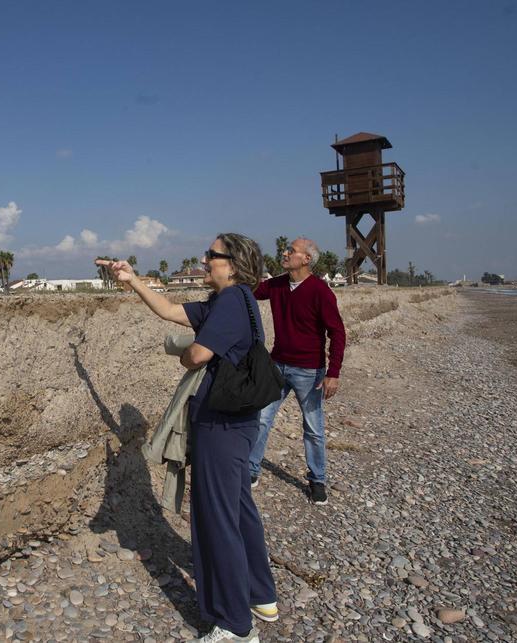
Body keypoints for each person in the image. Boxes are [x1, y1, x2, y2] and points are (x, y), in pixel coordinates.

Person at [97, 232, 277, 643]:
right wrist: (133, 280)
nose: (204, 258)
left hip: (221, 425)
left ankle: (233, 624)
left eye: (211, 255)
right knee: (238, 509)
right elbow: (170, 310)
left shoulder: (230, 300)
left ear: (231, 264)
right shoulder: (234, 299)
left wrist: (184, 355)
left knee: (216, 520)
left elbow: (198, 355)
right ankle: (259, 595)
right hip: (237, 422)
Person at [249, 237, 346, 505]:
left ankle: (317, 481)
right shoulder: (278, 284)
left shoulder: (320, 291)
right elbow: (252, 290)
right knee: (261, 419)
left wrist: (333, 372)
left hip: (310, 372)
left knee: (313, 429)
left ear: (306, 259)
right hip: (277, 365)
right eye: (286, 248)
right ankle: (250, 471)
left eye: (291, 250)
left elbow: (337, 332)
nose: (285, 252)